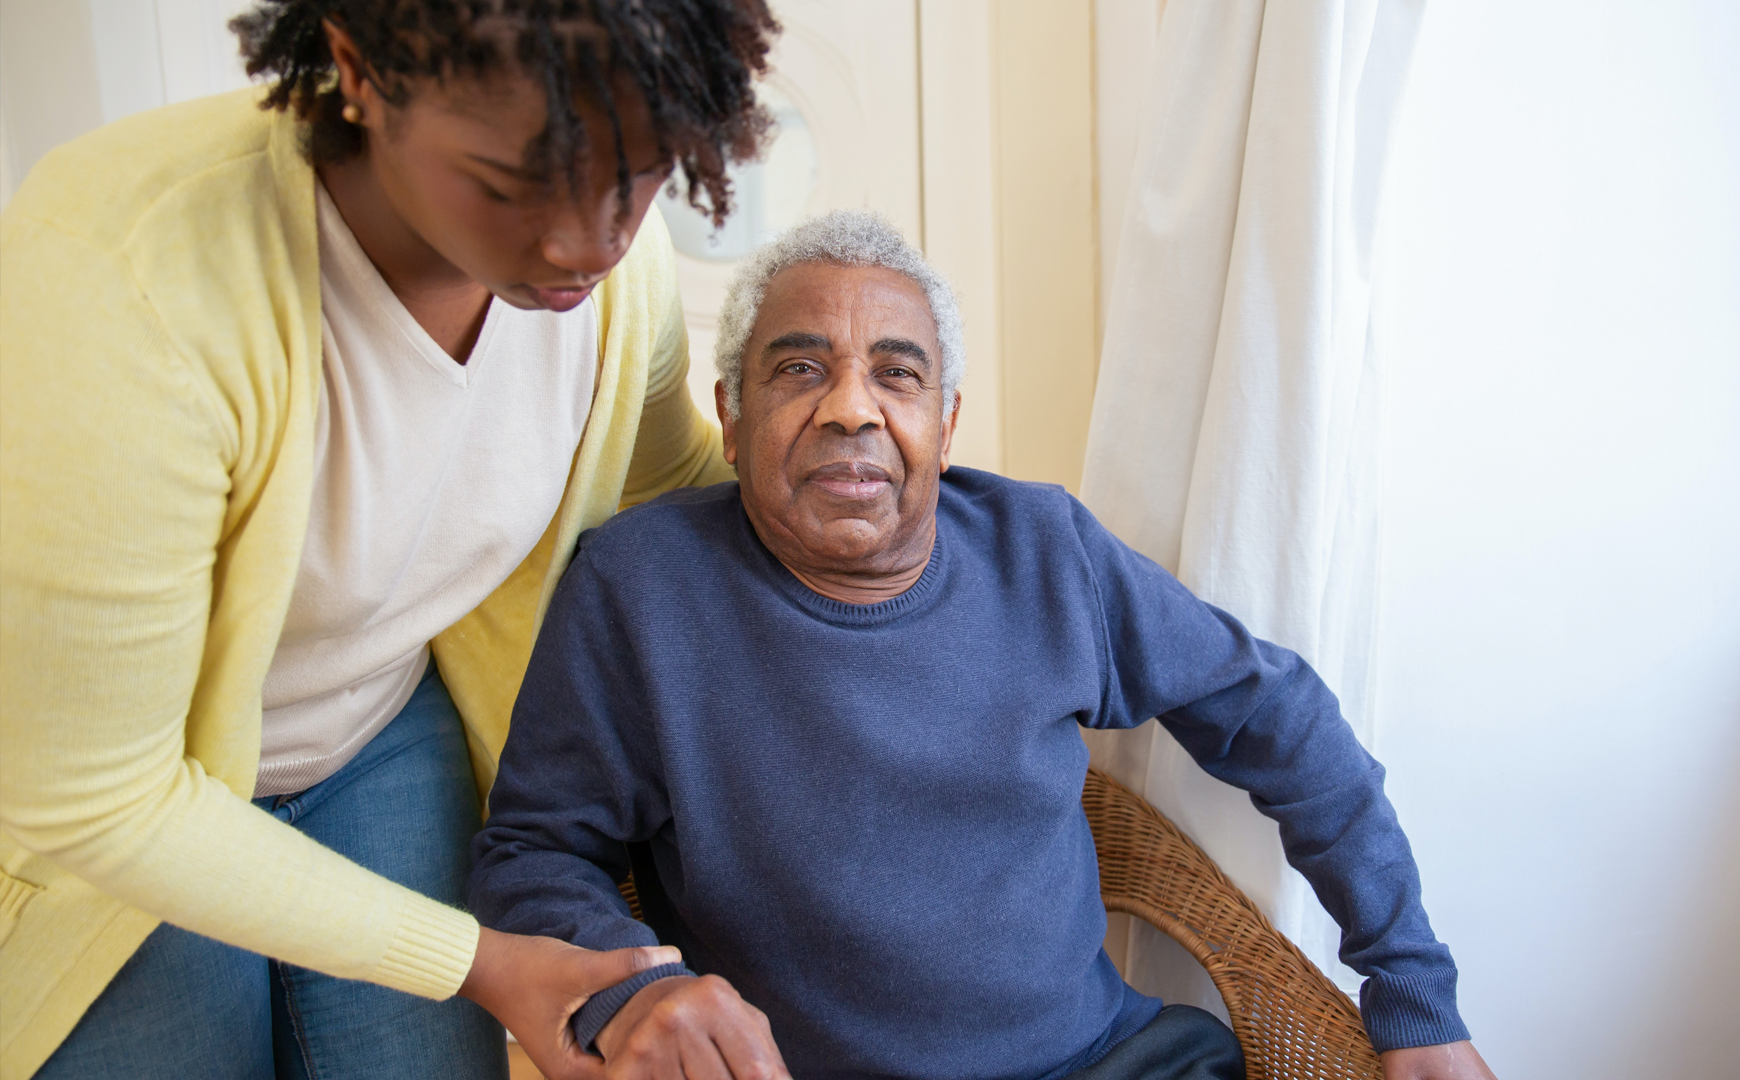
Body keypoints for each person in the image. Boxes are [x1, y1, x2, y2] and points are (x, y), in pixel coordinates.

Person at [469, 210, 1501, 1080]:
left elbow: (1278, 715)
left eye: (897, 373)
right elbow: (533, 852)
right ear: (731, 418)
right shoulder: (640, 588)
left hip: (1102, 1062)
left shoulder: (1045, 550)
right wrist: (638, 989)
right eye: (798, 369)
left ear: (946, 421)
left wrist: (1413, 988)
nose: (850, 410)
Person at [0, 3, 782, 1078]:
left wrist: (947, 533)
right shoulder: (128, 277)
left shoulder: (615, 289)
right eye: (508, 184)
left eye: (636, 177)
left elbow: (669, 485)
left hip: (377, 724)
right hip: (120, 798)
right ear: (358, 66)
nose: (585, 243)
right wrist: (473, 960)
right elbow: (93, 793)